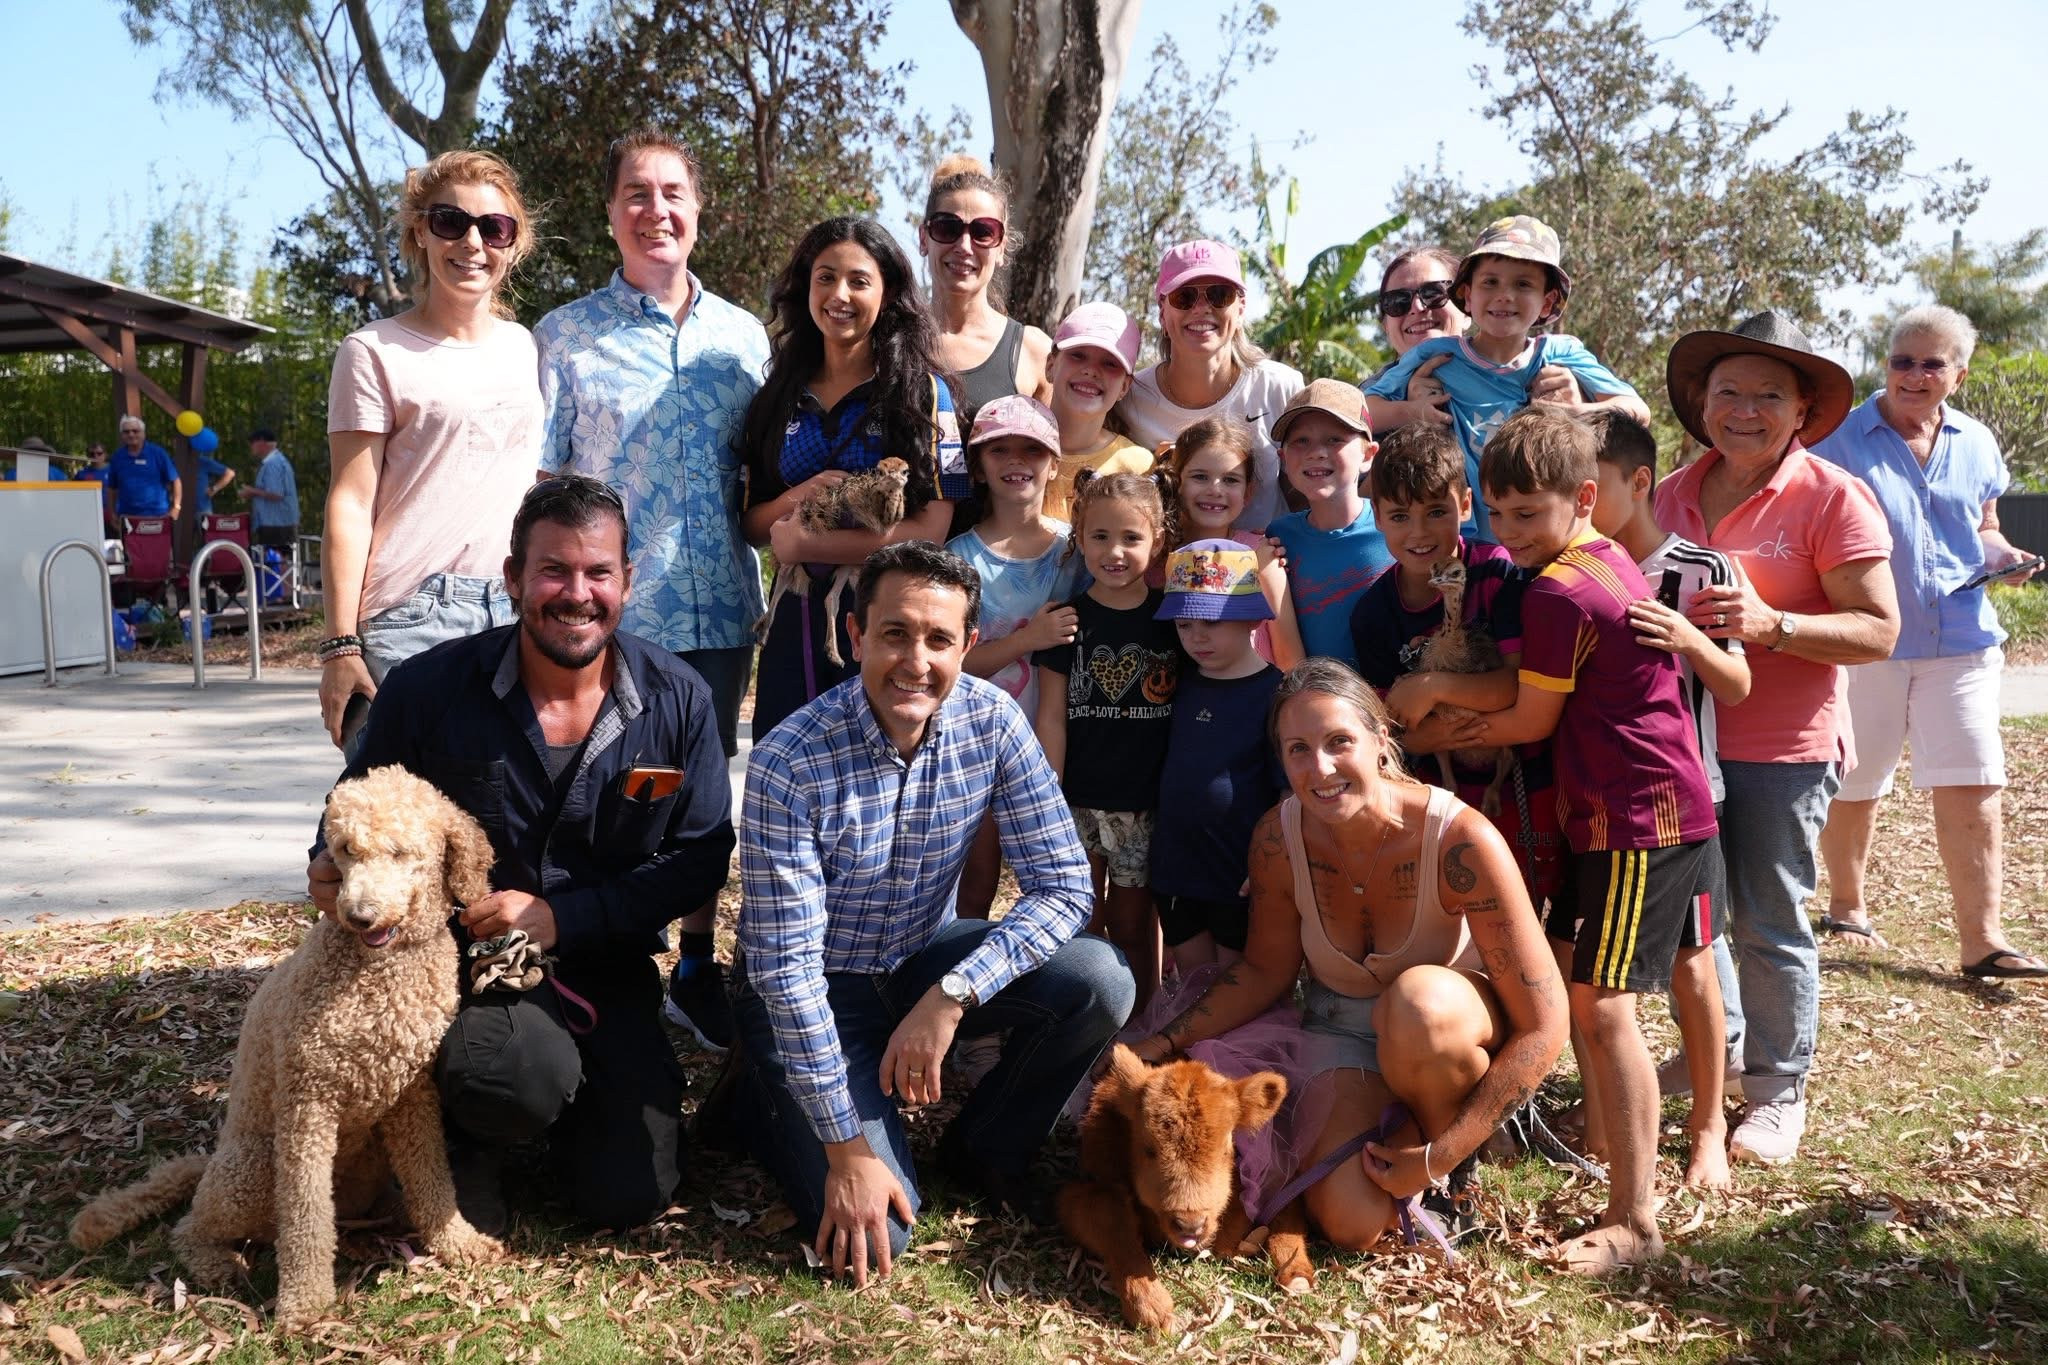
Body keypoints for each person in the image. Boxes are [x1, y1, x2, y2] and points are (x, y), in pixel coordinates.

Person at [305, 475, 736, 1232]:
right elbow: (353, 801)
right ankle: (467, 1127)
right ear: (512, 579)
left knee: (631, 1194)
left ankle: (568, 1107)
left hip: (605, 964)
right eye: (553, 571)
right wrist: (330, 864)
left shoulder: (679, 699)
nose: (577, 593)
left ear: (627, 582)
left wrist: (563, 917)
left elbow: (700, 856)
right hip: (464, 968)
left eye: (599, 572)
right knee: (506, 1076)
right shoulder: (429, 689)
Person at [733, 542, 1132, 1284]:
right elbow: (787, 973)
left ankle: (985, 1148)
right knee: (881, 1233)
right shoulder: (789, 758)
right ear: (855, 636)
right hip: (818, 986)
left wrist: (953, 994)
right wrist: (846, 1148)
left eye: (939, 639)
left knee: (1100, 977)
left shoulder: (993, 722)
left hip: (922, 961)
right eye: (894, 634)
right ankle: (764, 1093)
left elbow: (1066, 886)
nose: (916, 661)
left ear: (968, 645)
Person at [1130, 660, 1568, 1254]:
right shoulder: (1278, 839)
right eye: (1298, 749)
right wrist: (1156, 1045)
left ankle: (1451, 1165)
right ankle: (1393, 1127)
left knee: (1419, 1002)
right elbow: (1264, 971)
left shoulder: (1458, 839)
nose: (1322, 768)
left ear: (1380, 742)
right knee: (1350, 1225)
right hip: (1342, 1030)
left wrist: (1439, 1155)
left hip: (1443, 1031)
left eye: (1340, 742)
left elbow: (1545, 1025)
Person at [1454, 407, 1717, 1272]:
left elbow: (1529, 717)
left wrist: (1430, 705)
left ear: (1587, 497)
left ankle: (1634, 1221)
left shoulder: (1562, 589)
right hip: (1659, 808)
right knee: (1609, 994)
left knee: (1602, 1009)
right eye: (1497, 514)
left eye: (1529, 513)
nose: (1511, 532)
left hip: (1635, 821)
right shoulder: (1600, 557)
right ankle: (1623, 1163)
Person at [533, 127, 774, 1050]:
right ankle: (608, 961)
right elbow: (544, 482)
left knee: (703, 795)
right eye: (636, 193)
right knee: (617, 789)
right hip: (610, 616)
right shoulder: (566, 338)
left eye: (673, 192)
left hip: (720, 605)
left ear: (698, 212)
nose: (655, 209)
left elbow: (759, 475)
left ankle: (698, 963)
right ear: (610, 214)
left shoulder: (743, 339)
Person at [1655, 310, 1900, 1165]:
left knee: (1768, 920)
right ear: (1701, 402)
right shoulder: (1671, 491)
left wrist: (1772, 622)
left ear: (1802, 410)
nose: (1746, 410)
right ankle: (1717, 1053)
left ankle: (1776, 1091)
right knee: (1700, 918)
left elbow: (1879, 630)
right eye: (1729, 391)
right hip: (1684, 740)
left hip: (1782, 747)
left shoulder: (1833, 495)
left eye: (1769, 394)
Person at [1812, 305, 2045, 979]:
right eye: (1901, 361)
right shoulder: (1839, 438)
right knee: (1858, 777)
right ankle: (1848, 905)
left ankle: (1983, 940)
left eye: (1931, 363)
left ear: (1959, 374)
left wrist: (2002, 553)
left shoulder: (1977, 442)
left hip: (1964, 636)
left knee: (1974, 772)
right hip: (1868, 638)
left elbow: (1985, 524)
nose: (1913, 375)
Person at [320, 149, 543, 751]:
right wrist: (340, 645)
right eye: (451, 222)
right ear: (421, 231)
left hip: (518, 612)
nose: (472, 242)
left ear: (514, 243)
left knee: (497, 824)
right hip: (412, 616)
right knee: (391, 826)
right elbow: (349, 500)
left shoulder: (526, 347)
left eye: (494, 228)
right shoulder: (371, 351)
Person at [1587, 409, 1750, 1191]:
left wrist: (1688, 639)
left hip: (1685, 804)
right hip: (1599, 810)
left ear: (1639, 481)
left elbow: (1739, 683)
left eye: (1589, 487)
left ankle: (1710, 1123)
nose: (1574, 500)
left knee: (1693, 964)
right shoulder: (1566, 567)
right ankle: (1599, 1115)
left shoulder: (1701, 571)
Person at [741, 217, 958, 739]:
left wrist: (810, 541)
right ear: (805, 287)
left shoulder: (927, 396)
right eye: (825, 277)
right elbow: (751, 523)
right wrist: (799, 498)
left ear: (888, 294)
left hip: (889, 619)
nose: (840, 294)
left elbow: (933, 530)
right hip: (793, 619)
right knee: (786, 767)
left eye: (859, 281)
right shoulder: (775, 395)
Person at [1355, 422, 1562, 912]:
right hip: (1434, 794)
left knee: (1524, 908)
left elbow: (1515, 686)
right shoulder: (1372, 613)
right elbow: (1392, 732)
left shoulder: (1495, 574)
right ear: (1377, 517)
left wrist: (1433, 687)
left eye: (1436, 512)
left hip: (1516, 788)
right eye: (1400, 516)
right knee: (1450, 907)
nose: (1420, 532)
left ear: (1465, 506)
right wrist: (1432, 733)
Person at [1364, 218, 1650, 537]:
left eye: (1523, 284)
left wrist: (1576, 414)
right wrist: (1411, 412)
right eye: (1490, 283)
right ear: (1467, 295)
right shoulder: (1435, 356)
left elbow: (1637, 409)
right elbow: (1360, 412)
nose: (1504, 295)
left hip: (1543, 539)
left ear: (1548, 301)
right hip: (1463, 539)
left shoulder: (1559, 353)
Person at [1034, 471, 1179, 1007]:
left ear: (1158, 540)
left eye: (1131, 538)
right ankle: (1086, 1022)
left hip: (1145, 805)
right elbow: (1051, 716)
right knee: (1082, 918)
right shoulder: (1066, 623)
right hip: (1079, 804)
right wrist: (1050, 798)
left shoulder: (1172, 621)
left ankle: (1142, 1020)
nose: (1114, 552)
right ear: (1079, 535)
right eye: (1099, 537)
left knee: (1133, 923)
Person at [948, 394, 1083, 918]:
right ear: (978, 467)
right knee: (977, 879)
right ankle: (958, 981)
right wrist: (1029, 639)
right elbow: (950, 666)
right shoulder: (957, 557)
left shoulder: (1078, 550)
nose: (1016, 460)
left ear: (1054, 464)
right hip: (976, 743)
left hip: (1058, 741)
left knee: (1054, 881)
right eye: (998, 449)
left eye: (1031, 449)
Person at [1149, 539, 1286, 973]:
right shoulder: (1177, 683)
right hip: (1176, 868)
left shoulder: (1277, 693)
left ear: (1251, 618)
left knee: (1235, 988)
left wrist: (1271, 865)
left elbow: (1288, 793)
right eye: (1184, 625)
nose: (1196, 637)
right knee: (1192, 985)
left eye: (1211, 621)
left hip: (1239, 876)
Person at [1117, 240, 1305, 531]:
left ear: (1241, 309)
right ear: (1162, 313)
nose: (1202, 308)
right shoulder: (1130, 399)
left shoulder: (1280, 386)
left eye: (1219, 295)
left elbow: (1306, 493)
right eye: (1185, 297)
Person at [920, 155, 1051, 497]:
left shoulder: (1033, 352)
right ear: (924, 238)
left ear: (1002, 246)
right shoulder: (887, 340)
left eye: (983, 232)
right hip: (895, 547)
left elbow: (1053, 474)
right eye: (947, 228)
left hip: (994, 551)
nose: (964, 246)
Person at [1371, 244, 1587, 418]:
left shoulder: (1554, 358)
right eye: (1397, 301)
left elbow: (1618, 414)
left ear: (1465, 306)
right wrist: (1408, 414)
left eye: (1434, 293)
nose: (1417, 308)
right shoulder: (1372, 395)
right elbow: (1359, 422)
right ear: (1385, 327)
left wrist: (1581, 407)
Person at [1157, 417, 1303, 667]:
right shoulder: (1155, 555)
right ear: (1176, 482)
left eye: (1231, 479)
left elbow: (1290, 658)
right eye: (1200, 476)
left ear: (1248, 492)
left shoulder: (1261, 554)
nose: (1215, 489)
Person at [1266, 380, 1389, 666]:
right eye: (1301, 441)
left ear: (1368, 455)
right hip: (1311, 700)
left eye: (1334, 439)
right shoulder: (1278, 539)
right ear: (1283, 459)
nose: (1316, 452)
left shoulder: (1394, 527)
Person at [1044, 301, 1151, 520]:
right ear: (1050, 366)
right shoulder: (1012, 444)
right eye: (1078, 355)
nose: (1091, 371)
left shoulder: (1137, 466)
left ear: (1124, 386)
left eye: (1110, 364)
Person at [103, 415, 180, 522]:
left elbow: (175, 480)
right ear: (122, 435)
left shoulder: (158, 453)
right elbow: (111, 488)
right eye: (126, 432)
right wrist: (112, 513)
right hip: (127, 517)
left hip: (158, 515)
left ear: (143, 433)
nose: (131, 434)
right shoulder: (117, 457)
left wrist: (176, 508)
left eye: (135, 431)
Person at [243, 429, 299, 552]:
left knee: (277, 563)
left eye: (252, 443)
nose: (251, 447)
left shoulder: (272, 464)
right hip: (278, 522)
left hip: (276, 523)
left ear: (261, 442)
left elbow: (277, 494)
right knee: (280, 562)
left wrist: (252, 492)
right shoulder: (277, 461)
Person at [194, 452, 236, 517]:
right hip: (182, 513)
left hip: (202, 511)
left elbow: (230, 473)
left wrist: (214, 489)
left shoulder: (202, 461)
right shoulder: (176, 462)